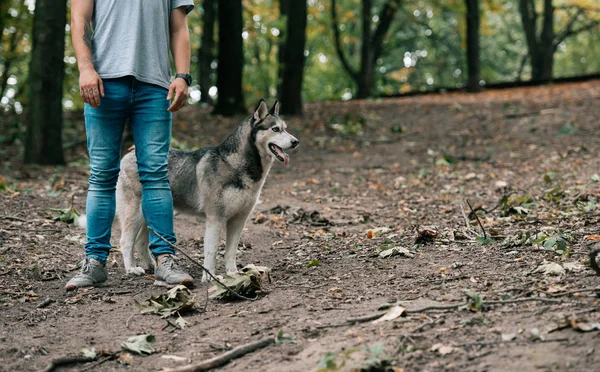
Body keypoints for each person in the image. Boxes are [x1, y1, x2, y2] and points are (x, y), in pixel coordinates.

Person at [66, 0, 195, 290]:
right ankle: (95, 263)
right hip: (103, 82)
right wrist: (85, 68)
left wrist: (183, 75)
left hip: (155, 86)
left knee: (156, 174)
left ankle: (165, 260)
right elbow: (79, 20)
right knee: (102, 174)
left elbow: (179, 27)